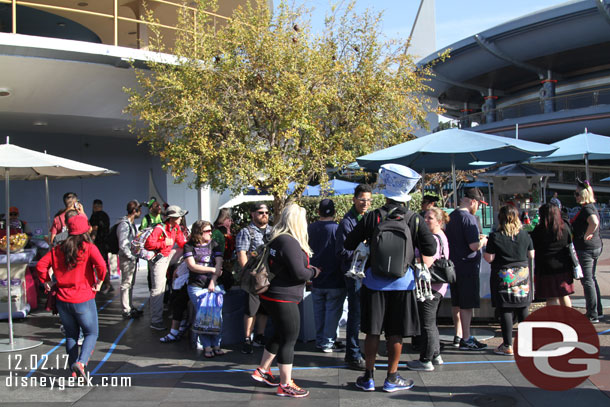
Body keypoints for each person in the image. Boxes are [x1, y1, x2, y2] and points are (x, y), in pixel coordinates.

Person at [345, 164, 436, 393]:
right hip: (403, 283)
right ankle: (392, 378)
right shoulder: (414, 219)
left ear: (385, 192)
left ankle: (368, 377)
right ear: (406, 195)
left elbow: (348, 243)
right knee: (395, 333)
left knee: (372, 331)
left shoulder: (373, 217)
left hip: (373, 283)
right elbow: (431, 247)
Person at [250, 204, 320, 398]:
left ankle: (263, 370)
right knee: (289, 339)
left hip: (272, 294)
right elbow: (299, 273)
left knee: (281, 334)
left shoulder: (277, 238)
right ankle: (285, 384)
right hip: (284, 297)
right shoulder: (289, 241)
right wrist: (313, 271)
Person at [36, 214, 106, 378]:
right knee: (91, 333)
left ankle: (73, 370)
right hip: (83, 298)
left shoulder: (58, 249)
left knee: (71, 335)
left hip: (62, 299)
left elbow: (41, 265)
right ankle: (81, 363)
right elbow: (101, 265)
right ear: (85, 229)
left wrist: (46, 281)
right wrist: (100, 281)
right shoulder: (88, 247)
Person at [483, 205, 534, 356]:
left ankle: (507, 345)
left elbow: (489, 258)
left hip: (503, 276)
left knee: (505, 308)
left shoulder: (495, 236)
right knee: (523, 307)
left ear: (500, 219)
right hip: (522, 274)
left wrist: (485, 246)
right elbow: (531, 254)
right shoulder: (525, 235)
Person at [406, 207, 450, 371]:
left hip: (429, 287)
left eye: (430, 218)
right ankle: (435, 354)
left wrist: (411, 257)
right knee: (431, 322)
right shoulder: (441, 237)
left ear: (439, 221)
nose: (426, 220)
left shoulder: (432, 239)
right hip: (438, 286)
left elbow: (427, 262)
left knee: (427, 324)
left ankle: (425, 360)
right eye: (425, 217)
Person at [445, 187, 488, 351]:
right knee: (466, 304)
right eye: (479, 204)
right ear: (473, 201)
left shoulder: (452, 216)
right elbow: (473, 245)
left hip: (454, 265)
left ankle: (459, 334)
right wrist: (483, 241)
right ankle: (466, 337)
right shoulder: (469, 218)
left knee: (457, 302)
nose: (478, 208)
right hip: (467, 266)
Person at [335, 183, 373, 370]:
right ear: (354, 199)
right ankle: (352, 353)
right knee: (355, 315)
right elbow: (341, 251)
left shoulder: (369, 218)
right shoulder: (347, 222)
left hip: (367, 273)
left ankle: (358, 349)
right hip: (353, 274)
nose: (365, 203)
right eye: (362, 200)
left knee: (364, 314)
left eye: (368, 200)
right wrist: (362, 250)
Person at [308, 199, 346, 353]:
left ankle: (321, 340)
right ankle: (328, 342)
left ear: (318, 212)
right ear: (335, 212)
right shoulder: (337, 228)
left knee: (319, 312)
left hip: (316, 276)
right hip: (335, 277)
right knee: (332, 312)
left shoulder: (310, 228)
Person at [236, 202, 273, 354]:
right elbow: (241, 253)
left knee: (264, 309)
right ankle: (247, 339)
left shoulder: (272, 231)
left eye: (266, 212)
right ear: (252, 214)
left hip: (269, 276)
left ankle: (260, 335)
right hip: (253, 277)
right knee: (251, 310)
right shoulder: (246, 232)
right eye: (260, 212)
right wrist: (248, 273)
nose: (264, 215)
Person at [144, 205, 187, 330]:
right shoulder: (159, 228)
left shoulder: (176, 228)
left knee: (161, 287)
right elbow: (149, 244)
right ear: (172, 218)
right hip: (159, 259)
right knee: (158, 288)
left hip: (167, 256)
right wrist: (164, 243)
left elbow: (181, 243)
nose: (181, 218)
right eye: (179, 216)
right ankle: (155, 320)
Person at [185, 220, 224, 356]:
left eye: (210, 230)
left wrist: (213, 281)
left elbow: (219, 264)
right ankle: (207, 346)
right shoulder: (189, 246)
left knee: (217, 316)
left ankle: (217, 344)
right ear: (199, 233)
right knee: (203, 316)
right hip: (196, 286)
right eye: (207, 231)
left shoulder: (214, 245)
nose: (210, 233)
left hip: (213, 284)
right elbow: (192, 266)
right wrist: (212, 269)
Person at [571, 179, 603, 322]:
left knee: (588, 280)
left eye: (577, 194)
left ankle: (593, 314)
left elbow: (594, 222)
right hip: (594, 246)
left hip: (587, 248)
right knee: (591, 279)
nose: (575, 196)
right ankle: (597, 310)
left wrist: (587, 234)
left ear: (583, 195)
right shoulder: (590, 207)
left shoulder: (587, 209)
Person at [531, 204, 574, 307]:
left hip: (545, 268)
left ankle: (554, 320)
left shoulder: (539, 230)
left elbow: (533, 245)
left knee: (551, 297)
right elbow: (570, 241)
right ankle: (569, 319)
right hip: (563, 266)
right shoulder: (565, 228)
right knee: (564, 295)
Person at [117, 200, 144, 319]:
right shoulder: (124, 224)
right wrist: (131, 256)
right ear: (134, 211)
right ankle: (125, 309)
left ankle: (129, 305)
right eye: (139, 209)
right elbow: (123, 243)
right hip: (127, 258)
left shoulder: (130, 223)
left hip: (132, 257)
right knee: (126, 283)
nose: (141, 212)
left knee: (130, 283)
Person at [90, 199, 112, 294]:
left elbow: (94, 229)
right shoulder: (105, 216)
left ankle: (106, 284)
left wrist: (91, 241)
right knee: (105, 263)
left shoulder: (95, 216)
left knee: (100, 264)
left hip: (98, 243)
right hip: (105, 243)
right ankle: (106, 283)